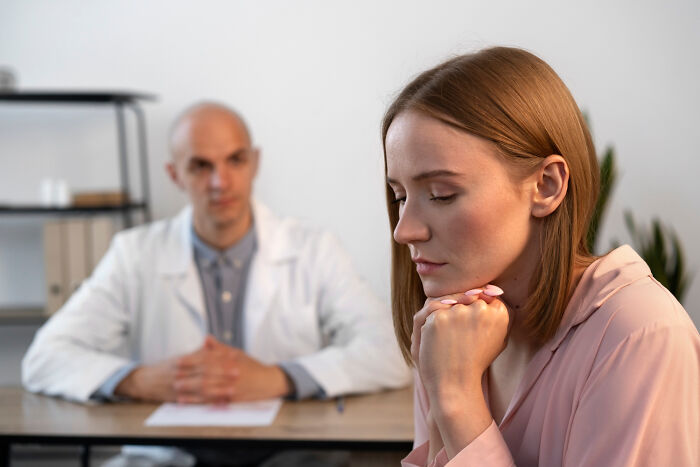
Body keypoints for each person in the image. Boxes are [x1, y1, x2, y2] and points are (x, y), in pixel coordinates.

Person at [22, 101, 411, 464]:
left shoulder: (312, 249)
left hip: (291, 454)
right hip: (170, 455)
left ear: (255, 163)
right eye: (200, 166)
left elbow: (390, 352)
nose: (219, 182)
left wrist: (279, 378)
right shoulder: (134, 254)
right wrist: (140, 381)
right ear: (175, 175)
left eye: (235, 160)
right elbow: (45, 358)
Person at [382, 47, 700, 466]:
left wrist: (459, 401)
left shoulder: (639, 333)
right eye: (399, 197)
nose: (404, 230)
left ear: (546, 185)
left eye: (442, 195)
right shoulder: (450, 329)